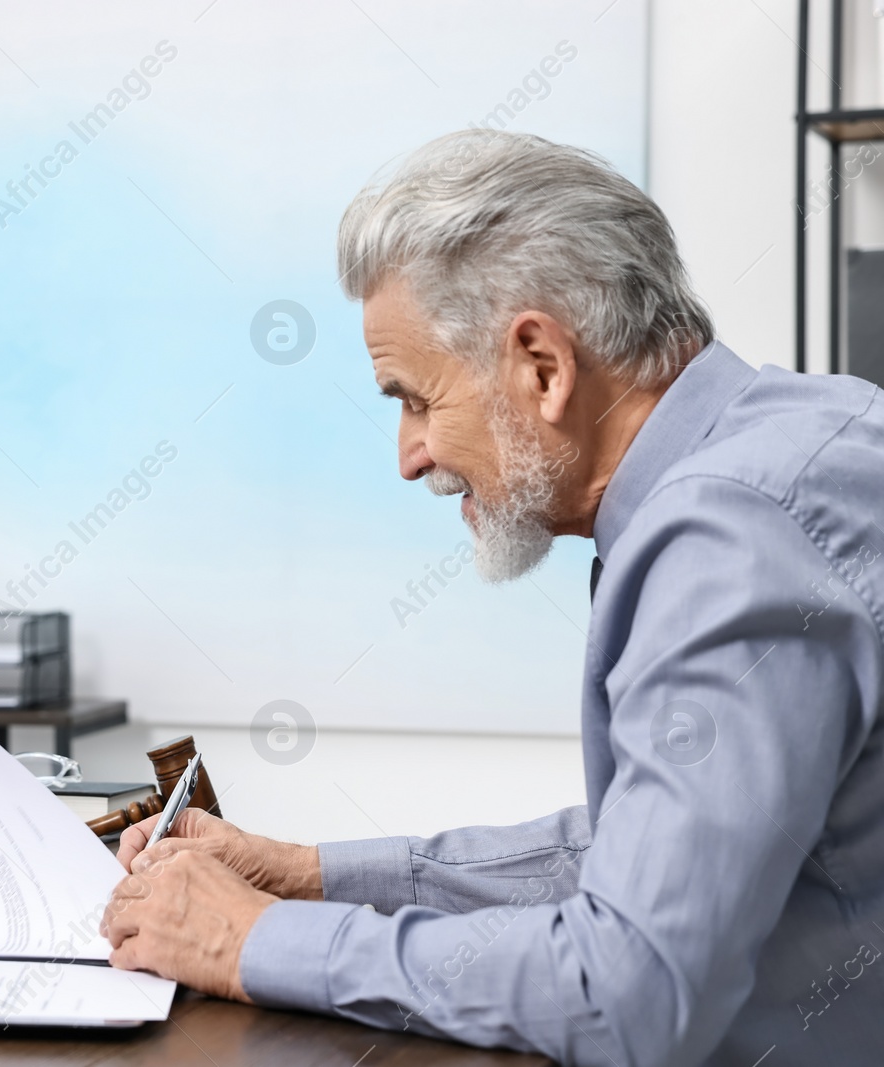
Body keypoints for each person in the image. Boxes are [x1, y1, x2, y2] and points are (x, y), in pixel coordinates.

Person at [101, 130, 884, 1066]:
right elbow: (649, 846)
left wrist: (247, 940)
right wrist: (310, 878)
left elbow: (626, 988)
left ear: (541, 367)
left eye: (416, 399)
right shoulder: (813, 428)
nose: (409, 456)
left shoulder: (727, 539)